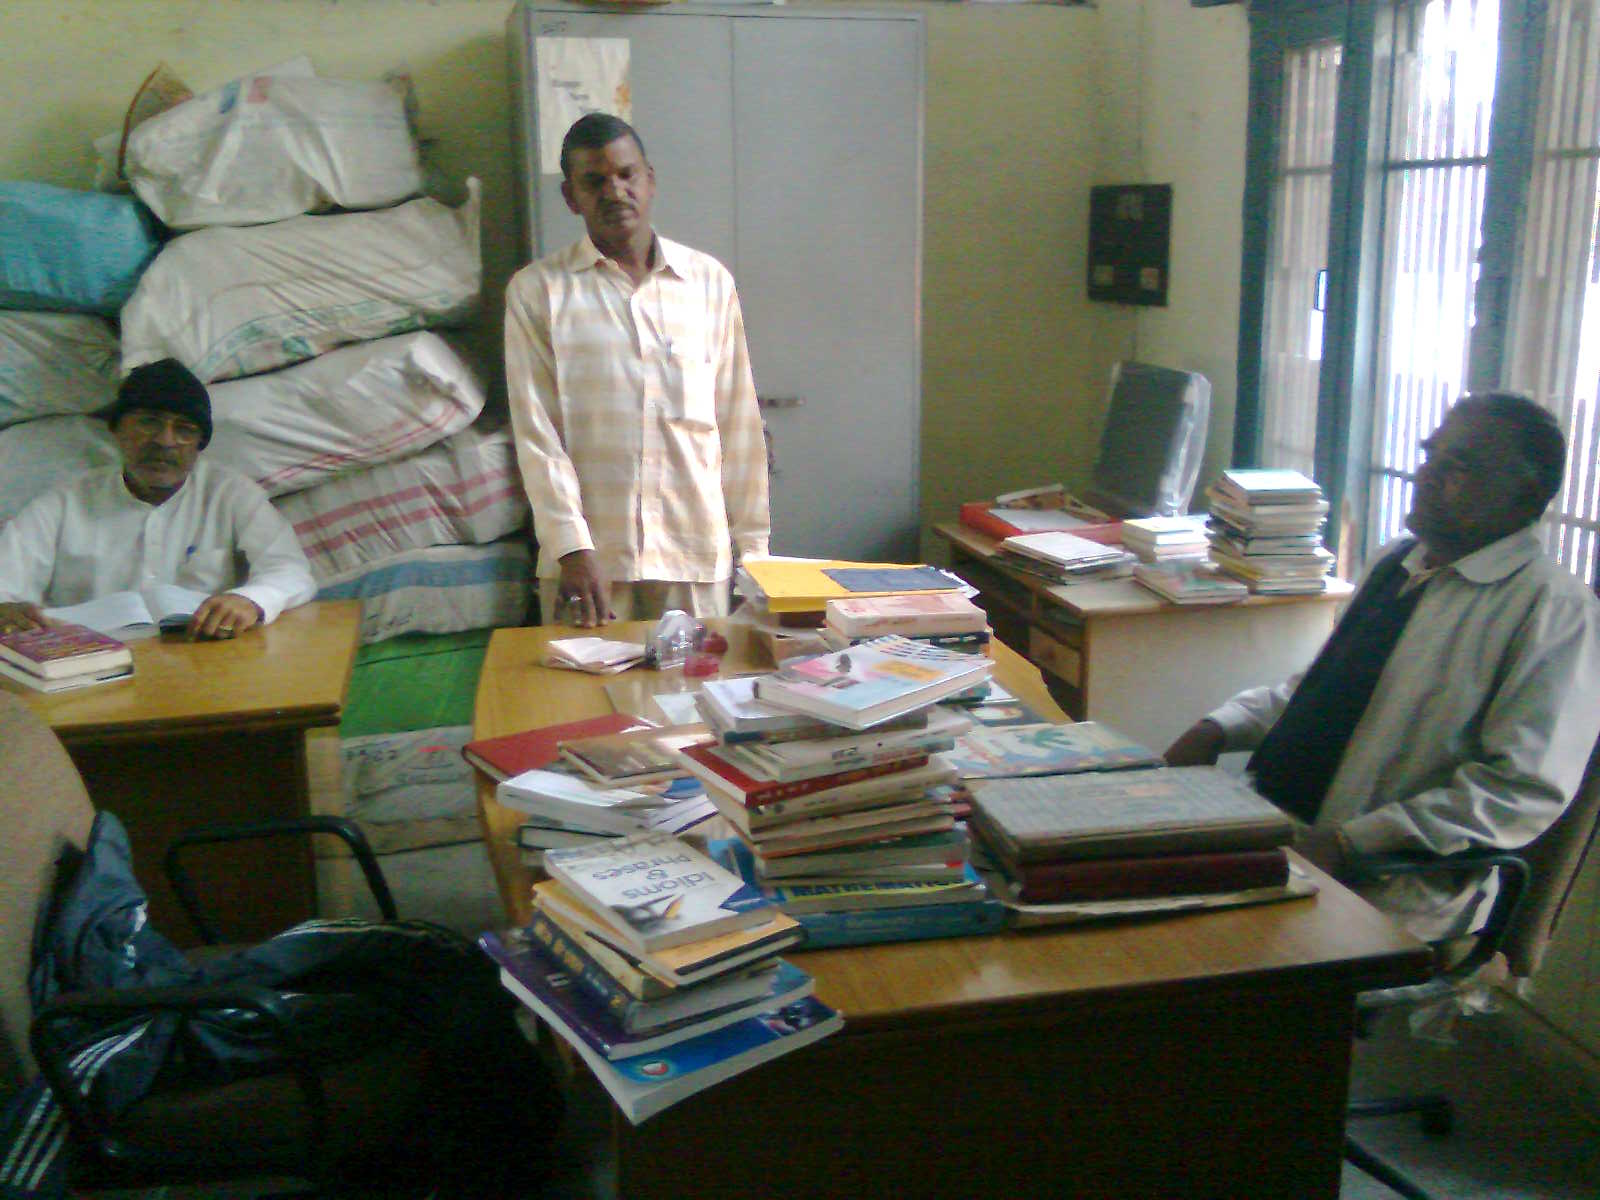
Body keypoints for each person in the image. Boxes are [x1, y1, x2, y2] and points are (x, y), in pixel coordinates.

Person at [1165, 393, 1600, 941]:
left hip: (1384, 880)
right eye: (1429, 455)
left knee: (1173, 962)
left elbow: (1518, 793)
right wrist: (1219, 726)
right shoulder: (1399, 562)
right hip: (1285, 834)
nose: (1425, 475)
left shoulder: (1552, 610)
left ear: (1526, 494)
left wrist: (1352, 842)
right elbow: (1317, 693)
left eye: (1457, 467)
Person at [504, 112, 770, 628]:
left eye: (627, 175)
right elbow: (537, 436)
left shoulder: (709, 284)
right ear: (570, 198)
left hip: (694, 561)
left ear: (650, 181)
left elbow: (738, 423)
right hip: (592, 568)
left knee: (695, 705)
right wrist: (570, 548)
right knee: (583, 707)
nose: (615, 191)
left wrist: (753, 553)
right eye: (595, 181)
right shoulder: (538, 292)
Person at [0, 358, 316, 640]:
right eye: (149, 421)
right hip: (89, 670)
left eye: (184, 429)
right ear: (117, 429)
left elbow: (290, 571)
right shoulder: (64, 503)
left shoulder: (229, 494)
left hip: (206, 665)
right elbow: (6, 579)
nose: (165, 441)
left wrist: (250, 600)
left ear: (198, 444)